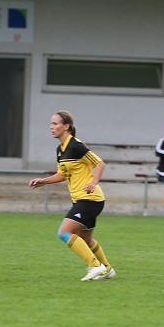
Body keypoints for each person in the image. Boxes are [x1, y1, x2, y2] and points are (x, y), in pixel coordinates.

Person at [29, 110, 117, 282]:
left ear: (66, 126)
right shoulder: (60, 149)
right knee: (86, 240)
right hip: (84, 200)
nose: (51, 127)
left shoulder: (76, 145)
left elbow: (99, 163)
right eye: (51, 123)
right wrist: (44, 181)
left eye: (55, 123)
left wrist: (94, 182)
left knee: (64, 233)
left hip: (90, 199)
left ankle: (94, 265)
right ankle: (106, 269)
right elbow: (62, 174)